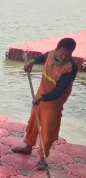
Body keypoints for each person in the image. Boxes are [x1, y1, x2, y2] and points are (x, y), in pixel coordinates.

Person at [11, 38, 78, 168]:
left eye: (68, 55)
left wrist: (42, 97)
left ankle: (43, 157)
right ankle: (28, 146)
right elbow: (43, 57)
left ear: (72, 53)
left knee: (48, 130)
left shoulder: (71, 68)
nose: (63, 57)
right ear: (57, 49)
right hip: (41, 94)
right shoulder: (52, 53)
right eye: (61, 53)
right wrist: (31, 61)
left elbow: (59, 91)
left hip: (53, 101)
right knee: (33, 122)